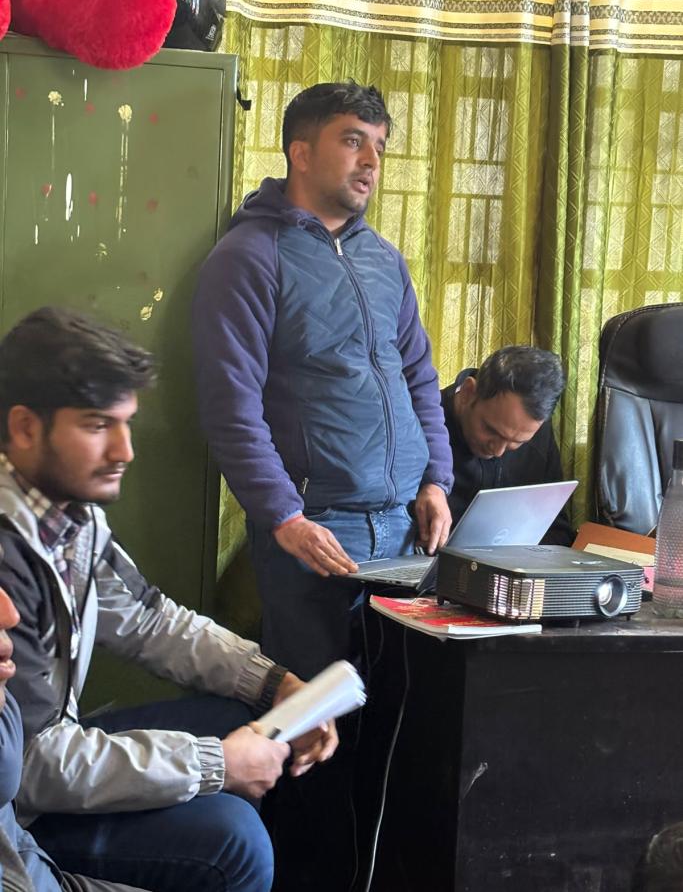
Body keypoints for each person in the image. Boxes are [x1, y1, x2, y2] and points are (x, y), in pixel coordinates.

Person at [0, 306, 338, 892]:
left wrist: (277, 684)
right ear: (26, 428)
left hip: (57, 748)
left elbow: (150, 620)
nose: (125, 450)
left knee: (250, 718)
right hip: (27, 805)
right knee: (236, 845)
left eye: (127, 423)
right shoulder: (9, 555)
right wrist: (217, 765)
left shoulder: (68, 515)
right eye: (98, 426)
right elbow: (26, 765)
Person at [192, 81, 454, 680]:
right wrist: (284, 517)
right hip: (317, 531)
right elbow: (230, 406)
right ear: (301, 153)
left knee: (403, 707)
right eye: (353, 141)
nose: (372, 162)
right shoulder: (249, 256)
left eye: (379, 146)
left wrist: (436, 481)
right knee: (316, 708)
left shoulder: (384, 259)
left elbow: (419, 379)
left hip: (406, 529)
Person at [0, 584, 150, 892]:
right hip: (48, 796)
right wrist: (214, 762)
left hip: (41, 872)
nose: (11, 614)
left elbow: (147, 611)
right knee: (233, 838)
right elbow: (36, 755)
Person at [441, 344, 575, 546]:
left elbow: (556, 529)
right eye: (491, 430)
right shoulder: (421, 426)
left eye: (517, 442)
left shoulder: (534, 430)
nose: (498, 451)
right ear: (468, 393)